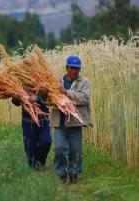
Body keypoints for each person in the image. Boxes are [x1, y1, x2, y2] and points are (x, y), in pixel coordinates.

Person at [50, 55, 91, 184]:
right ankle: (61, 174)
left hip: (75, 122)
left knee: (76, 150)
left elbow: (84, 98)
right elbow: (49, 99)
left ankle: (73, 173)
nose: (74, 71)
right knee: (58, 149)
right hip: (60, 122)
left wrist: (66, 92)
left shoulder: (84, 82)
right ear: (67, 68)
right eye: (72, 68)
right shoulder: (56, 81)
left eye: (77, 68)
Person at [12, 88, 52, 170]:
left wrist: (38, 98)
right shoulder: (20, 85)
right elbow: (15, 101)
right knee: (30, 146)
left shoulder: (43, 82)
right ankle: (33, 168)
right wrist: (17, 98)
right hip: (28, 122)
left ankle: (41, 161)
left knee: (46, 141)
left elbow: (50, 100)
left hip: (43, 121)